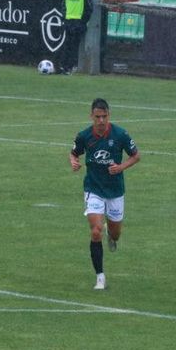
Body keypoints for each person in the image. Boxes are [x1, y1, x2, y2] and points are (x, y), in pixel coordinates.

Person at [69, 98, 140, 290]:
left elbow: (136, 155)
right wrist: (74, 162)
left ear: (109, 115)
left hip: (115, 190)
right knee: (95, 231)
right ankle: (100, 277)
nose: (101, 120)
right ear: (91, 116)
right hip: (93, 188)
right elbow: (74, 153)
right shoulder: (84, 136)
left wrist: (121, 167)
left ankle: (111, 233)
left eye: (104, 116)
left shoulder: (120, 134)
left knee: (115, 234)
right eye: (97, 117)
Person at [58, 0, 93, 75]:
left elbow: (89, 8)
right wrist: (64, 17)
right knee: (67, 45)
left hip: (78, 22)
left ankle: (72, 66)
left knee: (74, 45)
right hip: (69, 22)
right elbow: (63, 4)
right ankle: (64, 66)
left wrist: (82, 21)